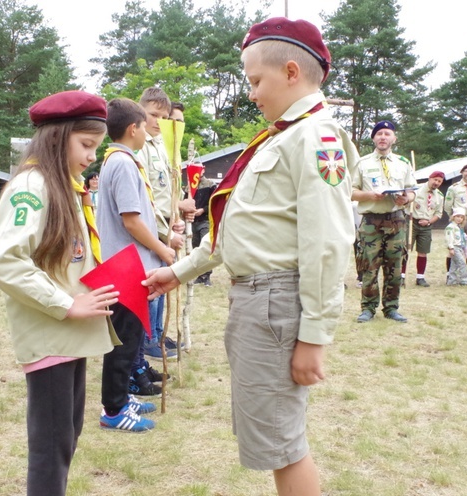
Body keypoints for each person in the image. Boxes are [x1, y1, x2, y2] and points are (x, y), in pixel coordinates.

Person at [144, 18, 357, 496]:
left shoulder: (315, 137)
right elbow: (236, 230)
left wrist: (315, 336)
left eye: (255, 81)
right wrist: (178, 272)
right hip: (256, 301)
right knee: (274, 434)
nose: (252, 94)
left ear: (290, 72)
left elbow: (327, 242)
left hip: (274, 302)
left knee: (284, 441)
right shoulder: (281, 138)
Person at [0, 90, 128, 495]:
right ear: (57, 137)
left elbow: (71, 258)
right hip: (52, 331)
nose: (91, 157)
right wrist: (67, 303)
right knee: (50, 450)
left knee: (66, 438)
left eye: (96, 147)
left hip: (69, 335)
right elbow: (7, 262)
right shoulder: (32, 186)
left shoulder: (64, 185)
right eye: (86, 145)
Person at [97, 97, 177, 429]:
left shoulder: (119, 161)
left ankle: (121, 398)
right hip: (126, 265)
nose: (149, 130)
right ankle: (114, 411)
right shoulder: (123, 164)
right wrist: (162, 248)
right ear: (134, 128)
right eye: (146, 124)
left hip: (126, 263)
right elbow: (131, 220)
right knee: (123, 340)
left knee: (127, 339)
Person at [137, 87, 192, 360]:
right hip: (152, 229)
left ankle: (156, 334)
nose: (158, 121)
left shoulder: (161, 145)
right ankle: (148, 339)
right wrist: (164, 234)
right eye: (153, 115)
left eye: (163, 116)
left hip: (167, 225)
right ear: (141, 113)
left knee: (162, 283)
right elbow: (145, 199)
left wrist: (177, 220)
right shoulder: (140, 147)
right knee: (152, 286)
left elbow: (169, 192)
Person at [353, 120, 416, 323]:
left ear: (394, 138)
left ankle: (391, 308)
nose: (383, 137)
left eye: (387, 134)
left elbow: (412, 191)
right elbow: (351, 192)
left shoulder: (403, 163)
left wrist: (406, 199)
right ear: (373, 138)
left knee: (394, 267)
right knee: (368, 266)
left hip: (396, 220)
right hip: (371, 221)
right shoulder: (361, 164)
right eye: (379, 133)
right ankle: (368, 309)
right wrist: (369, 195)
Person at [407, 171, 444, 287]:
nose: (436, 183)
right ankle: (401, 276)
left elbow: (438, 213)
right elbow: (405, 203)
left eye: (439, 181)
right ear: (430, 178)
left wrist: (428, 222)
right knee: (405, 250)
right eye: (435, 180)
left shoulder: (439, 196)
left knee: (423, 252)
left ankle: (420, 278)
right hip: (412, 222)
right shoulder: (416, 189)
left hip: (426, 226)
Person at [191, 166, 215, 287]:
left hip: (205, 220)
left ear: (203, 170)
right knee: (196, 248)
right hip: (193, 221)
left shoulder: (210, 184)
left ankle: (207, 276)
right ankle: (200, 275)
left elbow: (214, 202)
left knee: (205, 247)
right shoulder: (190, 186)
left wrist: (203, 210)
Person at [445, 207, 467, 285]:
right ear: (453, 217)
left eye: (462, 217)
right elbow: (449, 238)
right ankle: (464, 280)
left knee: (454, 265)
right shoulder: (450, 227)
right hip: (455, 247)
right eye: (458, 216)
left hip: (459, 247)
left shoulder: (459, 228)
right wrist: (451, 248)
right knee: (462, 263)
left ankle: (451, 281)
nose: (459, 219)